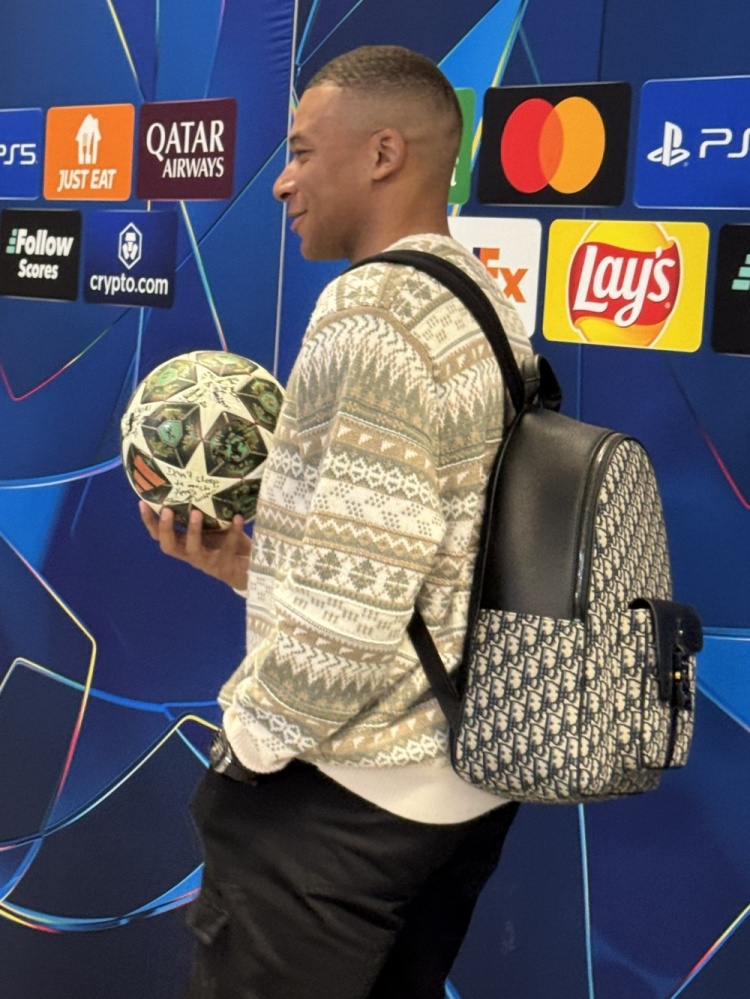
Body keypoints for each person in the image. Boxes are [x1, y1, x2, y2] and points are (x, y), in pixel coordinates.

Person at [139, 44, 532, 999]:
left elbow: (349, 631)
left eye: (304, 152)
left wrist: (249, 745)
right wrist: (247, 568)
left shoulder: (371, 314)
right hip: (453, 791)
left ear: (383, 153)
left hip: (340, 806)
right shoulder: (478, 303)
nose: (281, 182)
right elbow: (421, 564)